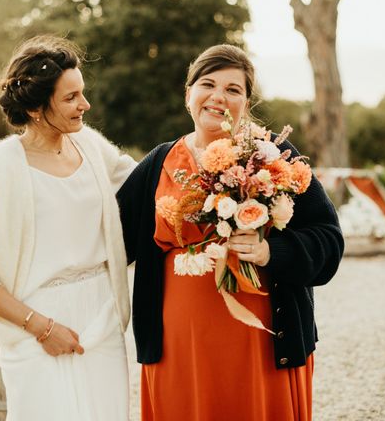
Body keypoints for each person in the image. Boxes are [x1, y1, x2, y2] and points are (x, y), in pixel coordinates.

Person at [117, 44, 345, 420]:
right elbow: (107, 240)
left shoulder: (274, 156)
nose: (219, 96)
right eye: (207, 84)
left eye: (233, 89)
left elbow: (329, 239)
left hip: (262, 343)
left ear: (247, 101)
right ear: (189, 94)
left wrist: (273, 252)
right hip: (180, 347)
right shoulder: (158, 164)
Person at [0, 35, 136, 421]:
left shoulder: (88, 144)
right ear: (36, 107)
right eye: (71, 98)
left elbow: (146, 184)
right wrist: (42, 328)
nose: (85, 105)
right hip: (34, 327)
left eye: (82, 93)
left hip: (102, 317)